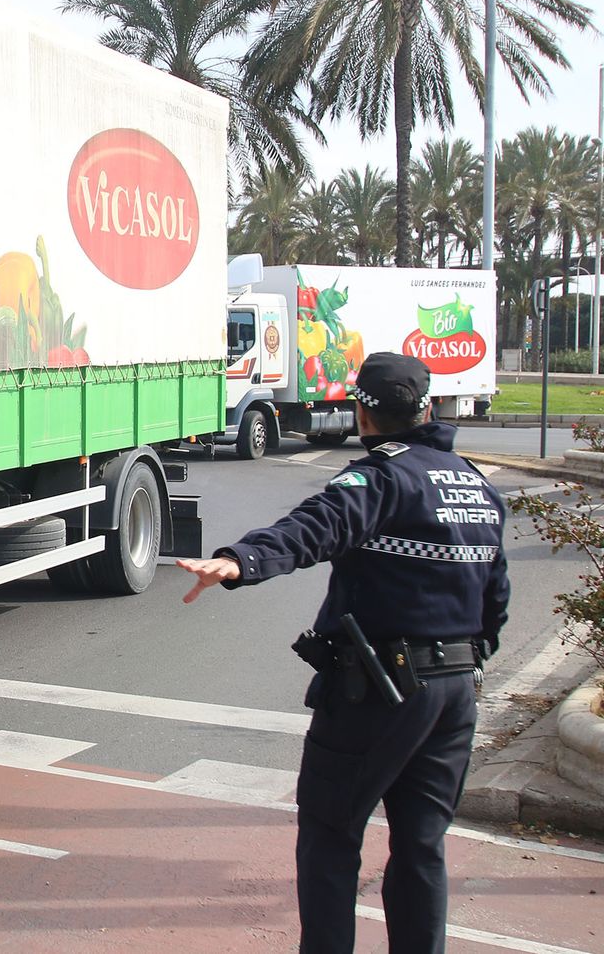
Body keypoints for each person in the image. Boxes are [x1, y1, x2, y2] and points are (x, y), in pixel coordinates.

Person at [177, 352, 508, 954]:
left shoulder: (379, 477)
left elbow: (315, 526)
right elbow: (496, 600)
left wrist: (241, 562)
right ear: (427, 408)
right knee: (422, 845)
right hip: (455, 692)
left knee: (331, 838)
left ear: (362, 410)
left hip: (379, 691)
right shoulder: (476, 483)